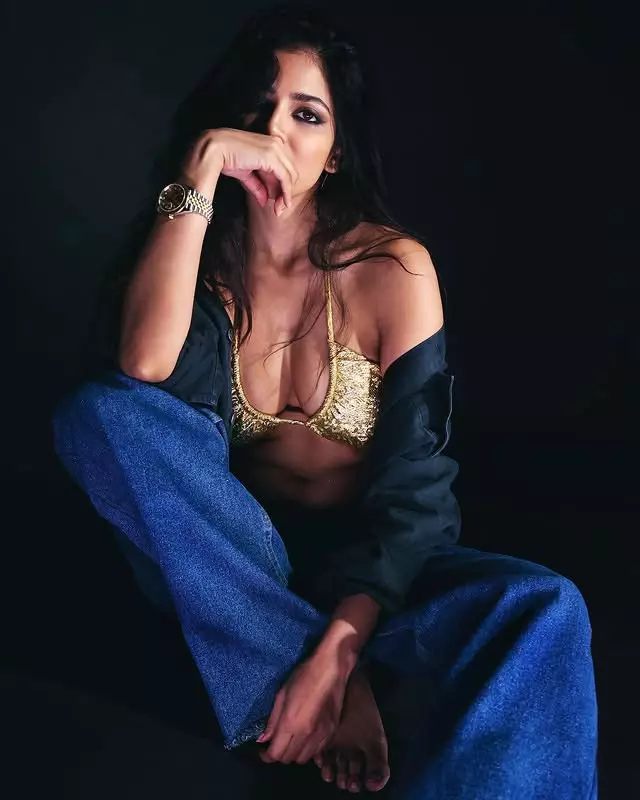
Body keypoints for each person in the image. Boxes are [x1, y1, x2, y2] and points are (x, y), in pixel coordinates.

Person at [51, 4, 598, 797]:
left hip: (371, 581)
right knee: (98, 412)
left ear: (337, 148)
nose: (274, 131)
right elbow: (142, 369)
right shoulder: (199, 267)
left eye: (306, 114)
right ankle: (284, 656)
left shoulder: (392, 270)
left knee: (545, 607)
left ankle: (319, 661)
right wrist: (200, 169)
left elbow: (415, 495)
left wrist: (339, 649)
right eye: (256, 108)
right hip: (234, 577)